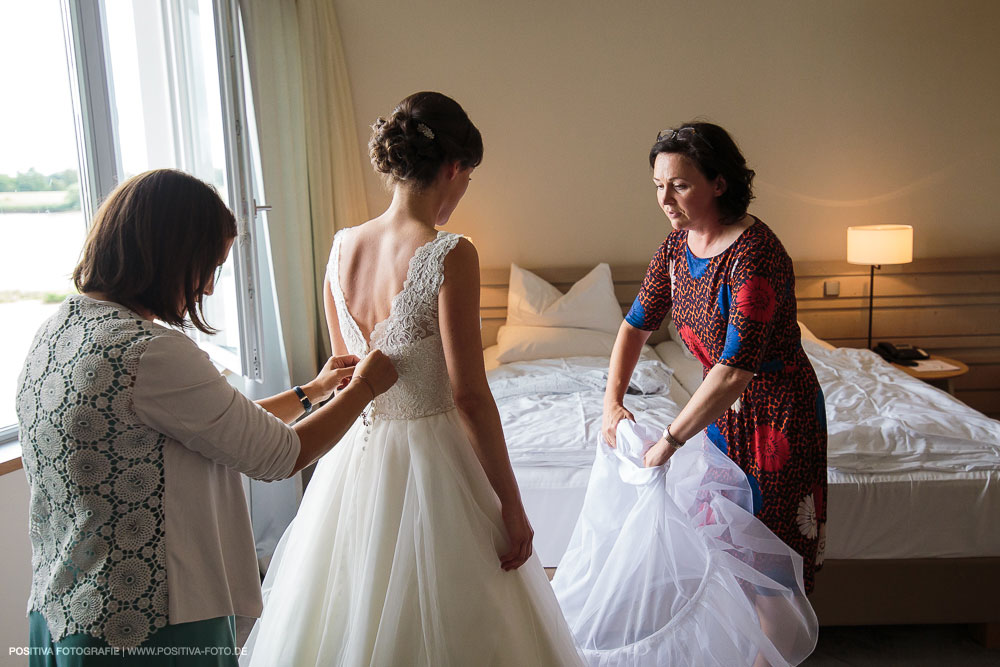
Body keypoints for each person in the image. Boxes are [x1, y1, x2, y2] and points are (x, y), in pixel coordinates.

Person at [241, 92, 582, 666]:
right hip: (433, 462)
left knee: (346, 607)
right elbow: (470, 397)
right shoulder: (450, 253)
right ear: (453, 168)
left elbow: (347, 371)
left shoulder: (341, 247)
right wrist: (512, 507)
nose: (463, 190)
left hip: (354, 459)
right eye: (468, 177)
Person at [15, 169, 397, 665]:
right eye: (209, 266)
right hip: (146, 628)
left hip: (63, 610)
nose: (211, 286)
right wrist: (366, 387)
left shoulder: (60, 329)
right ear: (171, 256)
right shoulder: (149, 352)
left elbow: (214, 427)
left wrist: (313, 392)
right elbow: (282, 455)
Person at [602, 122, 827, 593]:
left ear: (719, 183)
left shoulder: (755, 255)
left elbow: (732, 372)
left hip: (778, 419)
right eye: (659, 186)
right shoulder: (675, 248)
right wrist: (613, 401)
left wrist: (669, 439)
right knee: (726, 555)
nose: (665, 200)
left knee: (770, 567)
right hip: (720, 418)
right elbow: (634, 327)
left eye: (680, 186)